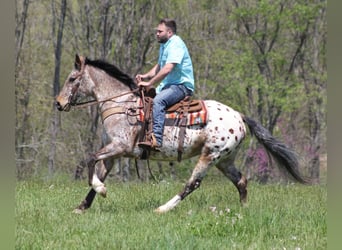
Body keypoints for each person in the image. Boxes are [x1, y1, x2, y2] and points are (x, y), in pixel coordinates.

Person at [136, 18, 194, 150]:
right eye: (157, 31)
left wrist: (150, 83)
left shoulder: (176, 44)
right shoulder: (165, 45)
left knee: (158, 101)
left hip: (181, 86)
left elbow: (167, 68)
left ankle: (156, 139)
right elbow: (159, 66)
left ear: (169, 32)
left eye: (160, 31)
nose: (157, 33)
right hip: (169, 86)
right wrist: (145, 76)